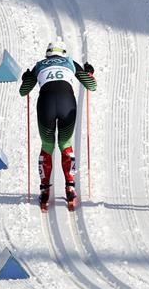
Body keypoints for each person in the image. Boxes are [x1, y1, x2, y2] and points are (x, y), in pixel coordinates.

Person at [20, 37, 97, 210]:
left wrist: (26, 78)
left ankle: (44, 190)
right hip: (67, 103)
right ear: (63, 53)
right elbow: (91, 86)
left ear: (48, 54)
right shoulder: (70, 62)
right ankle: (70, 186)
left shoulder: (40, 65)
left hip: (45, 105)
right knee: (65, 143)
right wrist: (89, 72)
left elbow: (23, 91)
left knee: (47, 145)